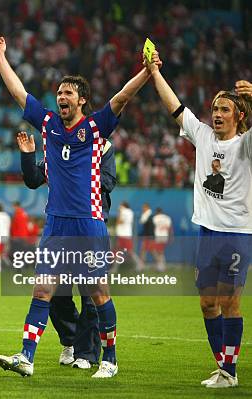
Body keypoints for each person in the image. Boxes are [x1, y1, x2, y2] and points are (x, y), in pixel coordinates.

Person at [0, 34, 153, 378]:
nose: (61, 97)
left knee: (98, 293)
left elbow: (122, 98)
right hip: (56, 224)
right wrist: (0, 55)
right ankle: (26, 356)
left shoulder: (95, 128)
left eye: (68, 93)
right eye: (59, 93)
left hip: (88, 222)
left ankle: (109, 359)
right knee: (43, 289)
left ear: (82, 100)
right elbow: (19, 93)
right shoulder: (48, 124)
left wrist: (147, 72)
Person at [148, 51, 251, 388]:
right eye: (214, 109)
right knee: (208, 303)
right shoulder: (203, 136)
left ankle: (229, 372)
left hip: (238, 233)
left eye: (224, 110)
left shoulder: (245, 145)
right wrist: (154, 72)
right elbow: (175, 107)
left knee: (228, 301)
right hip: (207, 232)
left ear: (238, 115)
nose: (217, 114)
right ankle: (223, 365)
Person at [16, 131, 117, 369]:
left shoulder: (103, 146)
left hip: (89, 224)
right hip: (61, 227)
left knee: (90, 294)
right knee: (55, 294)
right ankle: (70, 340)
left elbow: (109, 180)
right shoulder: (59, 146)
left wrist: (74, 175)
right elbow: (32, 180)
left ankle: (88, 353)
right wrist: (28, 156)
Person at [150, 207, 172, 272]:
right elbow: (169, 228)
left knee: (157, 252)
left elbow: (153, 228)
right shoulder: (167, 218)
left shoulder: (155, 218)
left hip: (158, 236)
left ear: (156, 212)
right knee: (160, 252)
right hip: (165, 236)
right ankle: (161, 267)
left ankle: (161, 267)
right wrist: (170, 237)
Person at [137, 203, 154, 271]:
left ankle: (160, 265)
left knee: (152, 251)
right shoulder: (147, 215)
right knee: (144, 251)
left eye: (144, 208)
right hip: (147, 236)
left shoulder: (149, 216)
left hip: (149, 236)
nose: (142, 209)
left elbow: (149, 227)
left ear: (147, 208)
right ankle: (141, 266)